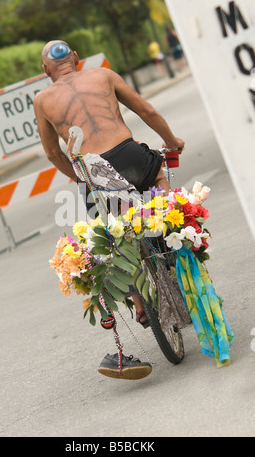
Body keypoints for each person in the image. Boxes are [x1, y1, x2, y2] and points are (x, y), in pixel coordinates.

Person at [34, 40, 185, 380]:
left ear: (46, 71)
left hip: (92, 169)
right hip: (130, 158)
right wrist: (172, 141)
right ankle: (174, 233)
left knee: (113, 239)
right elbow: (147, 112)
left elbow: (52, 154)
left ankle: (138, 297)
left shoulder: (42, 100)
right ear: (76, 59)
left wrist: (82, 179)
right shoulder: (102, 74)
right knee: (159, 179)